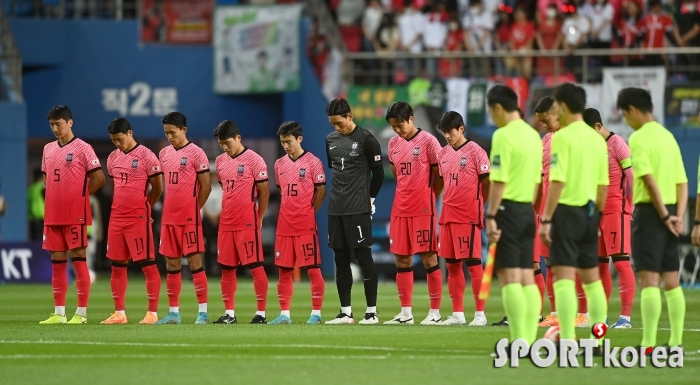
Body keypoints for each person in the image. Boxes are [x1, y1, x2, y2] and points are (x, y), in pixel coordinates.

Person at [538, 83, 609, 353]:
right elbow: (604, 186)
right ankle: (599, 340)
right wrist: (597, 218)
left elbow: (556, 181)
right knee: (592, 281)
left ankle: (568, 339)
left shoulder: (562, 138)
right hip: (591, 212)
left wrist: (546, 220)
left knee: (564, 279)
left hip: (566, 212)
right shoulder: (596, 138)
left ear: (564, 106)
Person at [619, 87, 687, 352]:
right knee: (672, 281)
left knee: (649, 280)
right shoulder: (669, 136)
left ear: (633, 111)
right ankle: (676, 341)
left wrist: (664, 216)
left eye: (625, 115)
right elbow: (682, 182)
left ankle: (648, 343)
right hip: (672, 210)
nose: (626, 121)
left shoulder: (638, 138)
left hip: (651, 212)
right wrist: (678, 217)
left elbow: (647, 180)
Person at [484, 85, 542, 346]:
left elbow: (498, 180)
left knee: (509, 277)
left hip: (507, 209)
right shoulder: (533, 135)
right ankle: (530, 338)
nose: (492, 118)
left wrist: (491, 215)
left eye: (491, 112)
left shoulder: (503, 136)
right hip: (527, 211)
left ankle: (519, 339)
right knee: (527, 277)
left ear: (497, 108)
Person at [39, 105, 105, 324]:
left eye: (59, 124)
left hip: (75, 215)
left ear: (70, 123)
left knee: (79, 262)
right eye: (52, 125)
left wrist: (80, 197)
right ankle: (59, 313)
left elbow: (99, 179)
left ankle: (82, 314)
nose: (55, 129)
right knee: (57, 263)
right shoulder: (48, 149)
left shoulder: (83, 148)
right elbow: (46, 178)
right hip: (53, 216)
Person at [324, 98, 385, 325]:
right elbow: (339, 173)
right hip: (336, 207)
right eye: (333, 124)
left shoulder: (366, 140)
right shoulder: (330, 140)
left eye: (339, 123)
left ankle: (371, 312)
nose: (336, 128)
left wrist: (370, 199)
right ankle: (346, 312)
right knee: (340, 258)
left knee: (363, 256)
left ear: (350, 116)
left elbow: (378, 173)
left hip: (358, 207)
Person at [383, 102, 444, 325]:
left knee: (428, 257)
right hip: (400, 208)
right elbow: (396, 173)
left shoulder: (429, 141)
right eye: (393, 126)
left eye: (400, 124)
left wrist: (429, 196)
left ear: (410, 118)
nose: (397, 130)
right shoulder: (393, 144)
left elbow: (440, 175)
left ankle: (435, 313)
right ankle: (406, 314)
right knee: (402, 258)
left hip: (423, 208)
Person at [101, 118, 164, 325]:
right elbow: (114, 185)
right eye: (113, 140)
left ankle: (152, 313)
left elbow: (158, 188)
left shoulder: (146, 155)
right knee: (117, 266)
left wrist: (146, 207)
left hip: (138, 218)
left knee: (148, 264)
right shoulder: (112, 158)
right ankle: (119, 313)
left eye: (119, 139)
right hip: (116, 218)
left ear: (129, 133)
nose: (117, 143)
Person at [583, 108, 637, 329]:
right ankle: (601, 316)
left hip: (616, 209)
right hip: (598, 212)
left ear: (598, 126)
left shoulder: (617, 144)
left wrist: (630, 206)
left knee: (622, 263)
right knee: (600, 265)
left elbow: (631, 176)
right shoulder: (593, 147)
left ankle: (625, 318)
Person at [211, 120, 270, 325]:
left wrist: (259, 218)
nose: (225, 147)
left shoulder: (255, 160)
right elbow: (226, 190)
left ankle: (261, 314)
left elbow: (264, 192)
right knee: (227, 269)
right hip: (226, 223)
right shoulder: (220, 161)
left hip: (247, 222)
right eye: (221, 144)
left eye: (227, 143)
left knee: (255, 267)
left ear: (238, 138)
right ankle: (229, 314)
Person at [269, 121, 327, 325]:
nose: (286, 146)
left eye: (289, 141)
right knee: (284, 271)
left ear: (299, 139)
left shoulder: (313, 162)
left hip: (305, 225)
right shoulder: (279, 164)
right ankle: (284, 315)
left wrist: (309, 211)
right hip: (284, 225)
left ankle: (316, 314)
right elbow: (282, 192)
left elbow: (321, 192)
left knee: (312, 270)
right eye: (283, 142)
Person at [156, 112, 212, 325]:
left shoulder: (197, 153)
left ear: (184, 130)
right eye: (166, 133)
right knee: (171, 265)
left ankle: (203, 313)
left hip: (189, 219)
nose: (170, 136)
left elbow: (206, 187)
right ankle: (173, 313)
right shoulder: (163, 154)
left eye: (173, 132)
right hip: (169, 218)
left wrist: (193, 209)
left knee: (195, 263)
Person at [436, 111, 490, 326]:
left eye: (450, 132)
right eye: (444, 133)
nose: (447, 136)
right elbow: (443, 182)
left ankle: (480, 315)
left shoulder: (477, 151)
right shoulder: (443, 154)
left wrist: (478, 205)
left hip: (468, 215)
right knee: (452, 265)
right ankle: (457, 314)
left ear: (461, 128)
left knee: (474, 264)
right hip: (448, 214)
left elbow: (487, 182)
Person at [28, 168, 46, 241]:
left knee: (35, 242)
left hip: (32, 219)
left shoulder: (31, 189)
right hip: (41, 220)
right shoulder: (42, 188)